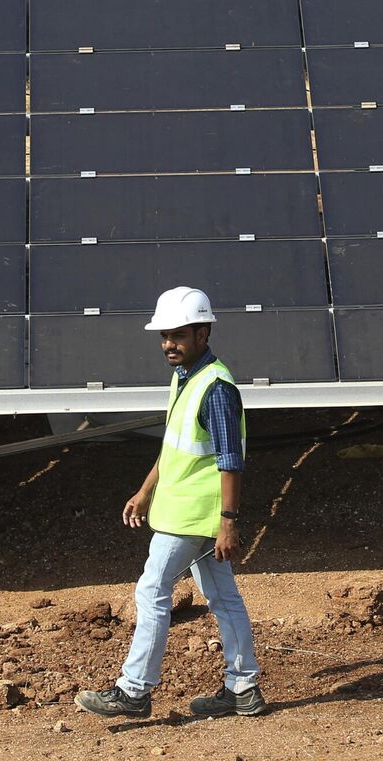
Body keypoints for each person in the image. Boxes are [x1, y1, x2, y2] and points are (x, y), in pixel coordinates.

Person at [75, 287, 267, 719]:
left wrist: (229, 522)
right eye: (164, 336)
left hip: (194, 517)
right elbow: (175, 447)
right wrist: (145, 490)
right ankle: (243, 687)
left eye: (177, 335)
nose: (167, 344)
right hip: (189, 513)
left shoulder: (216, 388)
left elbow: (230, 461)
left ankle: (134, 690)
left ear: (203, 332)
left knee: (152, 590)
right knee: (223, 597)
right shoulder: (186, 379)